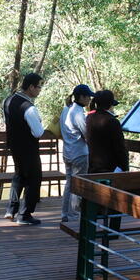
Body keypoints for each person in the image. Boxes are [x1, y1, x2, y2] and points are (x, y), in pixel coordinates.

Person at [2, 73, 45, 225]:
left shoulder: (7, 100)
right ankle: (25, 215)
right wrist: (40, 123)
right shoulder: (29, 108)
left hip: (14, 145)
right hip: (29, 147)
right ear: (31, 87)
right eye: (39, 86)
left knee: (19, 175)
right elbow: (38, 132)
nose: (40, 90)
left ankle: (11, 209)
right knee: (33, 179)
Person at [60, 84, 94, 222]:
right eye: (88, 97)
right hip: (79, 153)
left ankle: (65, 213)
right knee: (77, 185)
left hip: (67, 151)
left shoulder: (66, 110)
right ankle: (73, 215)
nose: (90, 99)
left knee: (69, 183)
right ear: (81, 97)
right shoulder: (78, 113)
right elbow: (87, 134)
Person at [85, 89, 129, 173]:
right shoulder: (112, 121)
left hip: (92, 167)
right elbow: (120, 147)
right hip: (109, 168)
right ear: (110, 105)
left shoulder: (89, 118)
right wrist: (125, 167)